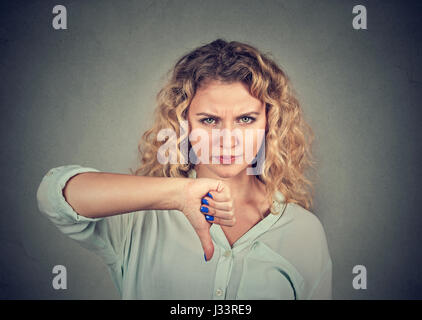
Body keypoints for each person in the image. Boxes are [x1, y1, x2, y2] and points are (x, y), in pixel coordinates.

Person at [36, 39, 332, 300]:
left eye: (245, 119)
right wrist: (179, 193)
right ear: (183, 124)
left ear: (270, 122)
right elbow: (53, 196)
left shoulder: (304, 233)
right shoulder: (140, 216)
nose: (227, 140)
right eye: (209, 120)